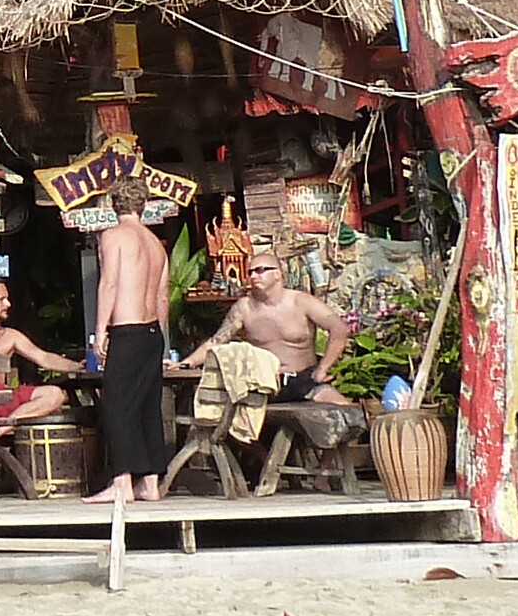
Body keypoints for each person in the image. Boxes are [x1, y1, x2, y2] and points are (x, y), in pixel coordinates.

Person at [90, 190, 173, 503]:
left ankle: (123, 481)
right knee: (148, 407)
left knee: (117, 406)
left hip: (127, 329)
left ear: (114, 205)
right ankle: (151, 482)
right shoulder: (155, 244)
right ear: (144, 206)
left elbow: (109, 282)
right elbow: (163, 296)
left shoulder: (114, 236)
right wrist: (159, 336)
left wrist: (101, 330)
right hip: (152, 332)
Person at [193, 255, 356, 406]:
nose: (254, 276)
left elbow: (339, 329)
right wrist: (187, 362)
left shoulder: (301, 301)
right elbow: (216, 341)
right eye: (251, 272)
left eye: (260, 270)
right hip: (263, 383)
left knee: (345, 412)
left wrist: (323, 368)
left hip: (304, 379)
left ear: (277, 274)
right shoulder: (244, 308)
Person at [0, 281, 76, 426]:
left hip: (2, 401)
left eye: (7, 299)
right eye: (1, 299)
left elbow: (43, 357)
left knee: (55, 395)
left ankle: (3, 429)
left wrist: (76, 366)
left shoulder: (10, 336)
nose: (8, 304)